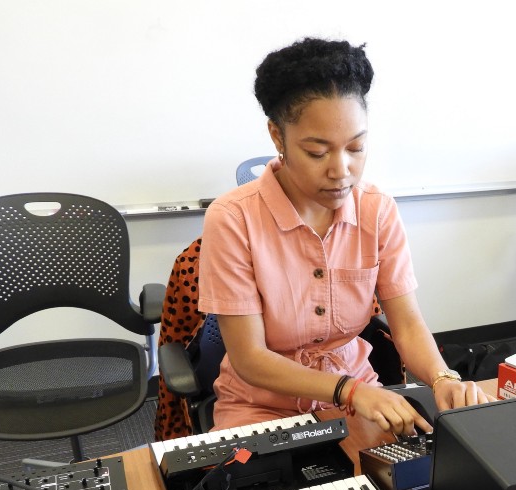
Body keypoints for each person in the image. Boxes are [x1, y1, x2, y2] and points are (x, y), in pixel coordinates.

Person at [198, 37, 491, 435]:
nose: (341, 170)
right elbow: (249, 357)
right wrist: (348, 391)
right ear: (277, 136)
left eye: (356, 147)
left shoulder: (377, 210)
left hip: (360, 396)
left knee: (416, 486)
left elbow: (406, 324)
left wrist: (443, 379)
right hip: (261, 407)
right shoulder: (233, 218)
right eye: (318, 152)